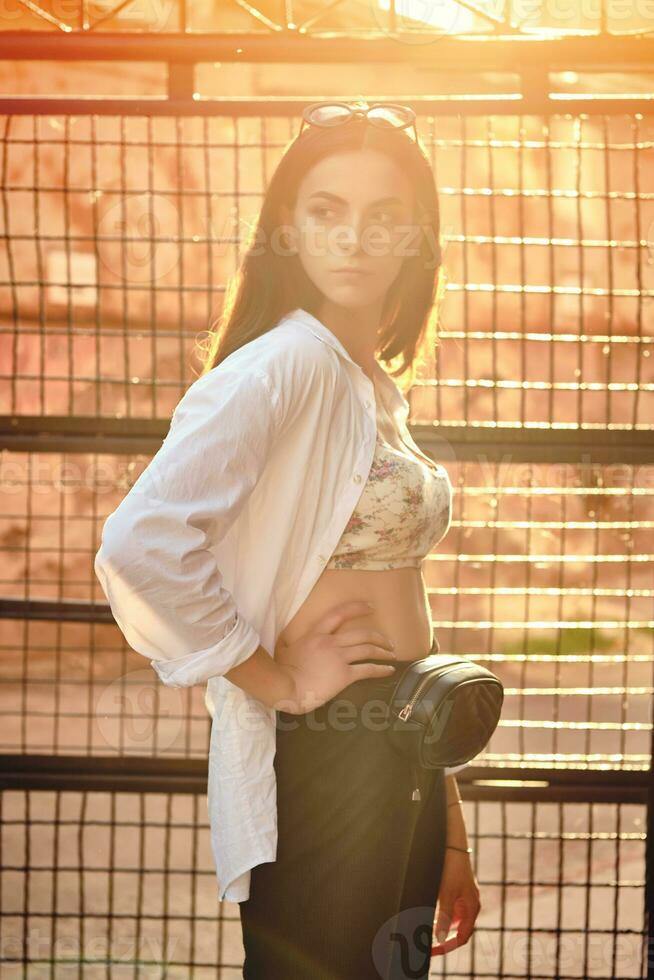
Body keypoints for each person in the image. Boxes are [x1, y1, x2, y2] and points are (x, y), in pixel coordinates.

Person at [94, 100, 481, 979]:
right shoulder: (284, 365)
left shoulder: (367, 382)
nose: (354, 239)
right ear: (289, 229)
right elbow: (141, 542)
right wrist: (275, 679)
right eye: (326, 211)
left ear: (419, 238)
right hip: (327, 755)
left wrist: (448, 828)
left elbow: (399, 617)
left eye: (385, 217)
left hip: (404, 747)